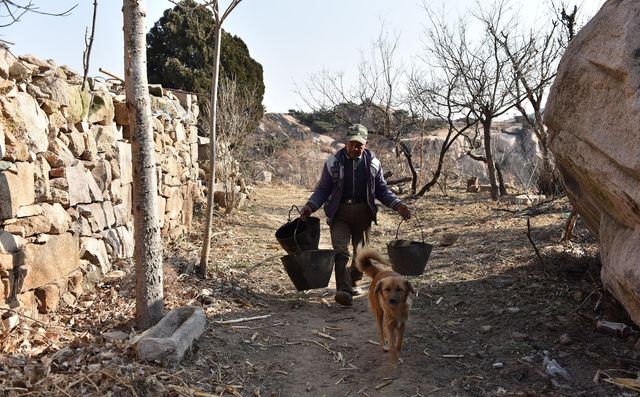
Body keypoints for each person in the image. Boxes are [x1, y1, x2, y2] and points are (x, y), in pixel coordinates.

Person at [299, 123, 411, 306]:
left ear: (365, 144)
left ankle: (353, 281)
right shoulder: (333, 162)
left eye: (359, 144)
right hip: (340, 213)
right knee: (341, 250)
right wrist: (310, 206)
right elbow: (323, 189)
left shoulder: (373, 163)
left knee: (360, 254)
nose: (355, 148)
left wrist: (398, 205)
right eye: (352, 143)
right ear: (345, 142)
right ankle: (343, 290)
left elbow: (382, 190)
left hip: (363, 213)